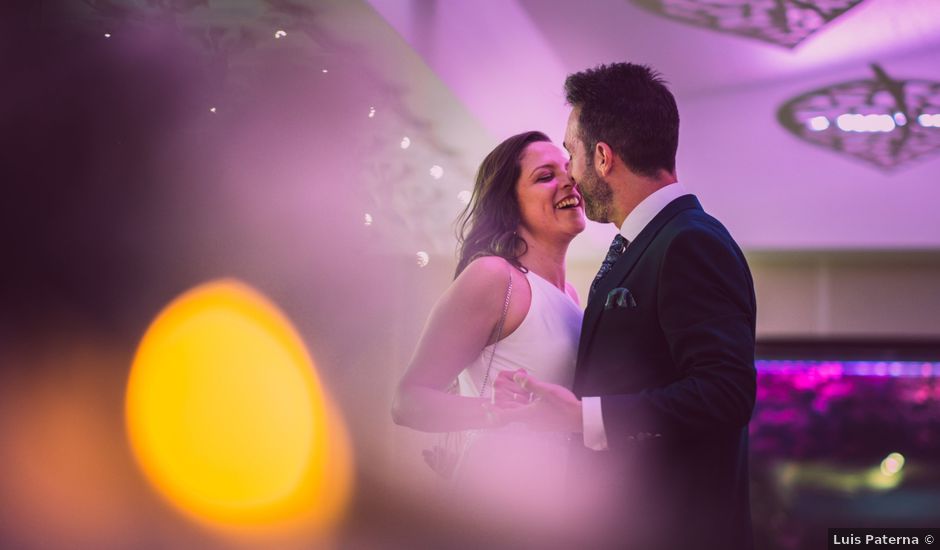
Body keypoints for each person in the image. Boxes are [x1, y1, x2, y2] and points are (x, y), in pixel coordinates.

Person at [494, 63, 757, 549]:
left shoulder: (690, 241)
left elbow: (727, 391)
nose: (570, 173)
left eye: (570, 153)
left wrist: (585, 418)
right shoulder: (638, 246)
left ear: (602, 156)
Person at [391, 130, 586, 525]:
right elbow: (407, 402)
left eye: (568, 169)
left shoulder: (572, 295)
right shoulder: (494, 277)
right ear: (510, 206)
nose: (568, 180)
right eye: (545, 176)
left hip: (553, 507)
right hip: (493, 507)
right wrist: (495, 413)